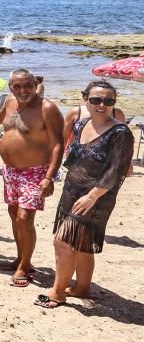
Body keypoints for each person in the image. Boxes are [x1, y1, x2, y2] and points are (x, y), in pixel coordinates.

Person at [36, 80, 133, 309]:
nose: (102, 105)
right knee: (81, 243)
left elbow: (115, 170)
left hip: (97, 196)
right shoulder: (80, 125)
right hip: (72, 191)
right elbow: (72, 157)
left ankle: (58, 292)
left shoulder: (120, 132)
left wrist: (92, 196)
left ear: (114, 103)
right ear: (85, 99)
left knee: (62, 241)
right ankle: (81, 288)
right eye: (96, 100)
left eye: (108, 101)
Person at [0, 69, 64, 287]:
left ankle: (25, 266)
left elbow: (58, 145)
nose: (23, 90)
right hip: (10, 170)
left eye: (28, 86)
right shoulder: (8, 102)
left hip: (35, 171)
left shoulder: (47, 108)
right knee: (14, 213)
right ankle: (20, 257)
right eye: (17, 86)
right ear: (10, 87)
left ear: (35, 85)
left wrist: (49, 177)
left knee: (25, 218)